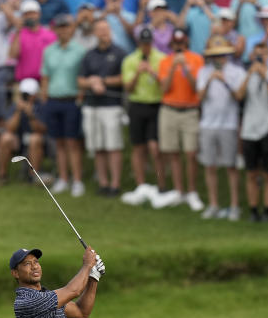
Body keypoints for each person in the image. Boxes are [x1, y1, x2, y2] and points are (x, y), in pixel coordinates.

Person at [150, 29, 204, 212]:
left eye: (182, 44)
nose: (179, 47)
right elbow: (164, 88)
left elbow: (197, 87)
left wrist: (186, 70)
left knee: (190, 153)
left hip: (189, 110)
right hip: (169, 109)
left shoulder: (196, 60)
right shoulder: (165, 62)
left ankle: (192, 191)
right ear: (172, 45)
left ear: (186, 43)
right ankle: (179, 191)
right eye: (176, 44)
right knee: (172, 152)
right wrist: (174, 67)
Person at [196, 36, 245, 221]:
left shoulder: (237, 72)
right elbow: (199, 97)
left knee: (231, 167)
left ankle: (234, 206)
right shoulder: (203, 71)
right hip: (208, 124)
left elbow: (239, 96)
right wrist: (210, 80)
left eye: (222, 55)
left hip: (229, 124)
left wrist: (225, 81)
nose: (219, 59)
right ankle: (214, 204)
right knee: (210, 166)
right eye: (215, 56)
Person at [235, 39, 268, 223]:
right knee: (251, 173)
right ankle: (253, 210)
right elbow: (238, 95)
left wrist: (265, 76)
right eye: (256, 55)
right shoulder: (247, 75)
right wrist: (249, 75)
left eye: (262, 54)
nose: (259, 58)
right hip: (249, 129)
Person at [40, 13, 86, 197]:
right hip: (53, 99)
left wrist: (80, 98)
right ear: (55, 30)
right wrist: (44, 98)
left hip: (71, 100)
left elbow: (82, 76)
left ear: (71, 29)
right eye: (59, 27)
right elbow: (45, 76)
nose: (63, 30)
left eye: (66, 27)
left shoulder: (79, 50)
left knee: (72, 142)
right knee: (58, 142)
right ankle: (63, 178)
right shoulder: (49, 50)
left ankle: (77, 180)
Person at [77, 19, 125, 196]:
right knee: (98, 146)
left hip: (111, 106)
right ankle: (103, 183)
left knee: (113, 146)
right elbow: (80, 80)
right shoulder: (89, 54)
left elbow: (124, 78)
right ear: (95, 33)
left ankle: (115, 184)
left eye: (106, 30)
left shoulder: (119, 53)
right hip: (92, 106)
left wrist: (103, 81)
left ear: (110, 31)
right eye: (100, 30)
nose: (103, 33)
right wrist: (91, 82)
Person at [120, 27, 166, 206]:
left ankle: (161, 185)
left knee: (155, 148)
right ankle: (141, 184)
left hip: (155, 105)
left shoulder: (161, 59)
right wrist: (139, 73)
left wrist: (153, 73)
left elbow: (165, 84)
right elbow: (128, 87)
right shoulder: (130, 60)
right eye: (143, 43)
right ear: (139, 43)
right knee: (138, 147)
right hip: (137, 105)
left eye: (148, 43)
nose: (146, 47)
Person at [0, 77, 45, 185]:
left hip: (38, 142)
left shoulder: (41, 105)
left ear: (35, 94)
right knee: (5, 138)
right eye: (24, 94)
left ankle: (33, 177)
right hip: (18, 140)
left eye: (28, 94)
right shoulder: (15, 106)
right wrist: (18, 112)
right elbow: (10, 128)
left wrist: (31, 115)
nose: (26, 97)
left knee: (34, 138)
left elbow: (41, 130)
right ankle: (2, 175)